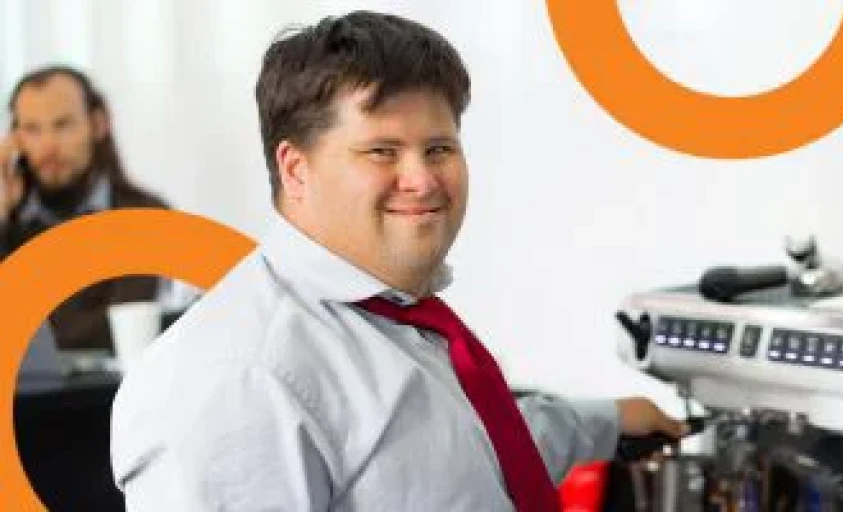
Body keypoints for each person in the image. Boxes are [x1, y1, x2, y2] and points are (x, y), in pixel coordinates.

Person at [111, 11, 686, 511]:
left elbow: (457, 453)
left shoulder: (397, 317)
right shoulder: (237, 378)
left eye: (439, 148)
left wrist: (605, 422)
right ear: (295, 169)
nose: (423, 179)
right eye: (381, 151)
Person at [1, 66, 169, 351]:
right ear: (15, 139)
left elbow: (118, 333)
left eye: (63, 125)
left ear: (99, 123)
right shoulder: (9, 223)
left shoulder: (146, 218)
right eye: (32, 129)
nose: (48, 146)